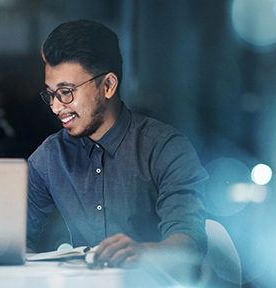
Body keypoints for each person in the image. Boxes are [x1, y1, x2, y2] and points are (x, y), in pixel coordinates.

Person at [26, 19, 208, 278]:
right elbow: (16, 239)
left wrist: (142, 253)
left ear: (109, 85)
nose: (56, 107)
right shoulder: (49, 157)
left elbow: (190, 243)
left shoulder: (165, 148)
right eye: (50, 94)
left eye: (66, 92)